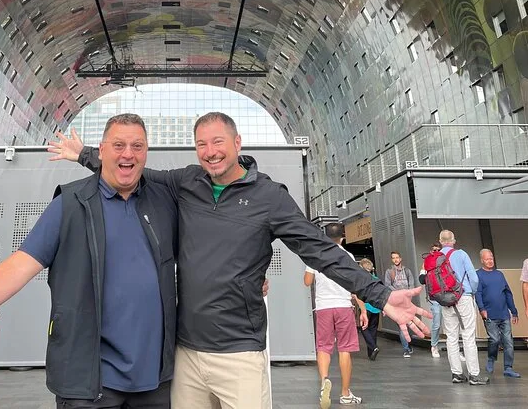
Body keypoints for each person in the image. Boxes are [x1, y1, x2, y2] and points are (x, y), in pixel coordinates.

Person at [55, 112, 432, 409]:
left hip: (239, 354)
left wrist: (380, 295)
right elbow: (133, 171)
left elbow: (319, 249)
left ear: (237, 142)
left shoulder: (269, 196)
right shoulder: (186, 182)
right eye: (201, 144)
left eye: (218, 141)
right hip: (186, 355)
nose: (210, 151)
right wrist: (85, 154)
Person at [0, 114, 179, 408]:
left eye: (137, 146)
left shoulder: (164, 203)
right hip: (88, 382)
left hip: (154, 381)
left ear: (146, 152)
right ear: (101, 151)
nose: (128, 154)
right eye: (119, 145)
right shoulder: (71, 204)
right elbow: (19, 266)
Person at [304, 223, 366, 408]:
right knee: (345, 348)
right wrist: (363, 310)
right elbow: (355, 284)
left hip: (323, 307)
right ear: (342, 238)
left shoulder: (315, 254)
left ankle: (324, 383)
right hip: (343, 306)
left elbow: (307, 281)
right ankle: (345, 394)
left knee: (323, 347)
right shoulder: (348, 256)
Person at [438, 230, 489, 385]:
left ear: (440, 241)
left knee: (451, 337)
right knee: (468, 336)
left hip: (445, 300)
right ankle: (474, 375)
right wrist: (471, 291)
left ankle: (457, 373)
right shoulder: (461, 254)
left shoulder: (436, 257)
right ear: (453, 240)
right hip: (463, 297)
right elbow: (473, 278)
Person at [475, 249, 520, 378]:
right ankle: (491, 358)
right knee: (494, 339)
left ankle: (508, 367)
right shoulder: (478, 275)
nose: (490, 261)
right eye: (487, 259)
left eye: (491, 258)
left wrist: (514, 311)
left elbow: (507, 293)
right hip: (489, 314)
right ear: (482, 260)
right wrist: (482, 309)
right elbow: (478, 293)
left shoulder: (499, 274)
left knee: (508, 341)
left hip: (504, 313)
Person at [384, 251, 415, 357]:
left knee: (407, 324)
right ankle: (406, 349)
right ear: (391, 260)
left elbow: (411, 284)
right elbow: (388, 285)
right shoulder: (389, 272)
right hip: (396, 302)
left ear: (400, 259)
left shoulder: (407, 271)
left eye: (397, 257)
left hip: (407, 302)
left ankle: (408, 346)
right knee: (402, 325)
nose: (396, 259)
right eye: (393, 258)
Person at [419, 242, 443, 358]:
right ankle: (434, 345)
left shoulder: (444, 261)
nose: (436, 252)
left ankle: (455, 349)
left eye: (438, 250)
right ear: (430, 251)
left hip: (447, 296)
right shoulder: (426, 263)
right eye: (434, 250)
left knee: (452, 324)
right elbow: (421, 279)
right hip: (435, 297)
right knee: (437, 323)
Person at [359, 258, 381, 361]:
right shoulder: (376, 279)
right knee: (373, 330)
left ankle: (374, 347)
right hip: (376, 308)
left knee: (364, 328)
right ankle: (371, 353)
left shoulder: (361, 280)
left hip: (366, 307)